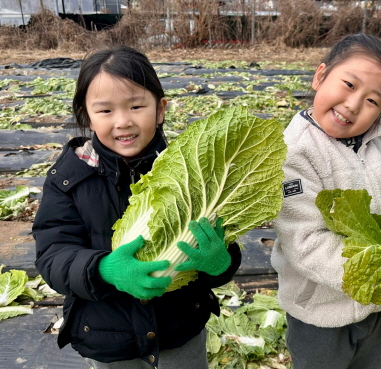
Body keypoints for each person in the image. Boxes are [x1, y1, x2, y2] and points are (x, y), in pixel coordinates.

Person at [32, 45, 241, 369]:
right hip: (109, 338)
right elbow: (53, 253)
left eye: (136, 106)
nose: (123, 122)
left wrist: (222, 262)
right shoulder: (69, 178)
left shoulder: (192, 173)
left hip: (179, 331)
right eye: (105, 111)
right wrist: (103, 269)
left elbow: (221, 238)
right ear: (87, 116)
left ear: (160, 110)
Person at [270, 33, 381, 369]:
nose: (353, 104)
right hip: (319, 312)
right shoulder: (294, 152)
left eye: (373, 101)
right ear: (320, 77)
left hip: (374, 307)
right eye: (348, 84)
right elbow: (306, 244)